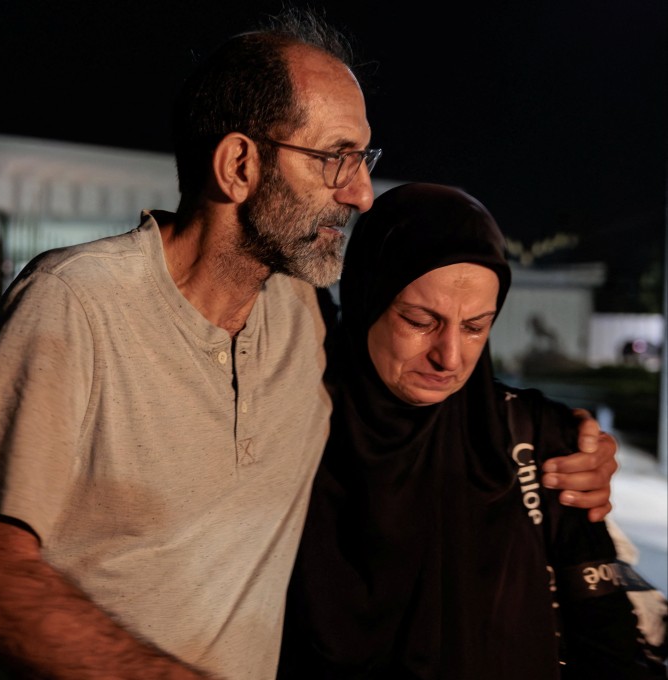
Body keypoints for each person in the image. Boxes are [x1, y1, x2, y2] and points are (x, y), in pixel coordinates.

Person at [0, 10, 617, 679]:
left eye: (364, 158)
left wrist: (559, 439)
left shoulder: (300, 315)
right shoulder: (78, 302)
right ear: (239, 166)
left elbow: (409, 387)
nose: (363, 193)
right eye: (336, 159)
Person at [277, 183, 664, 679]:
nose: (450, 357)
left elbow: (609, 641)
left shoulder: (540, 439)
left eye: (476, 326)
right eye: (419, 321)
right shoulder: (284, 429)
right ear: (366, 297)